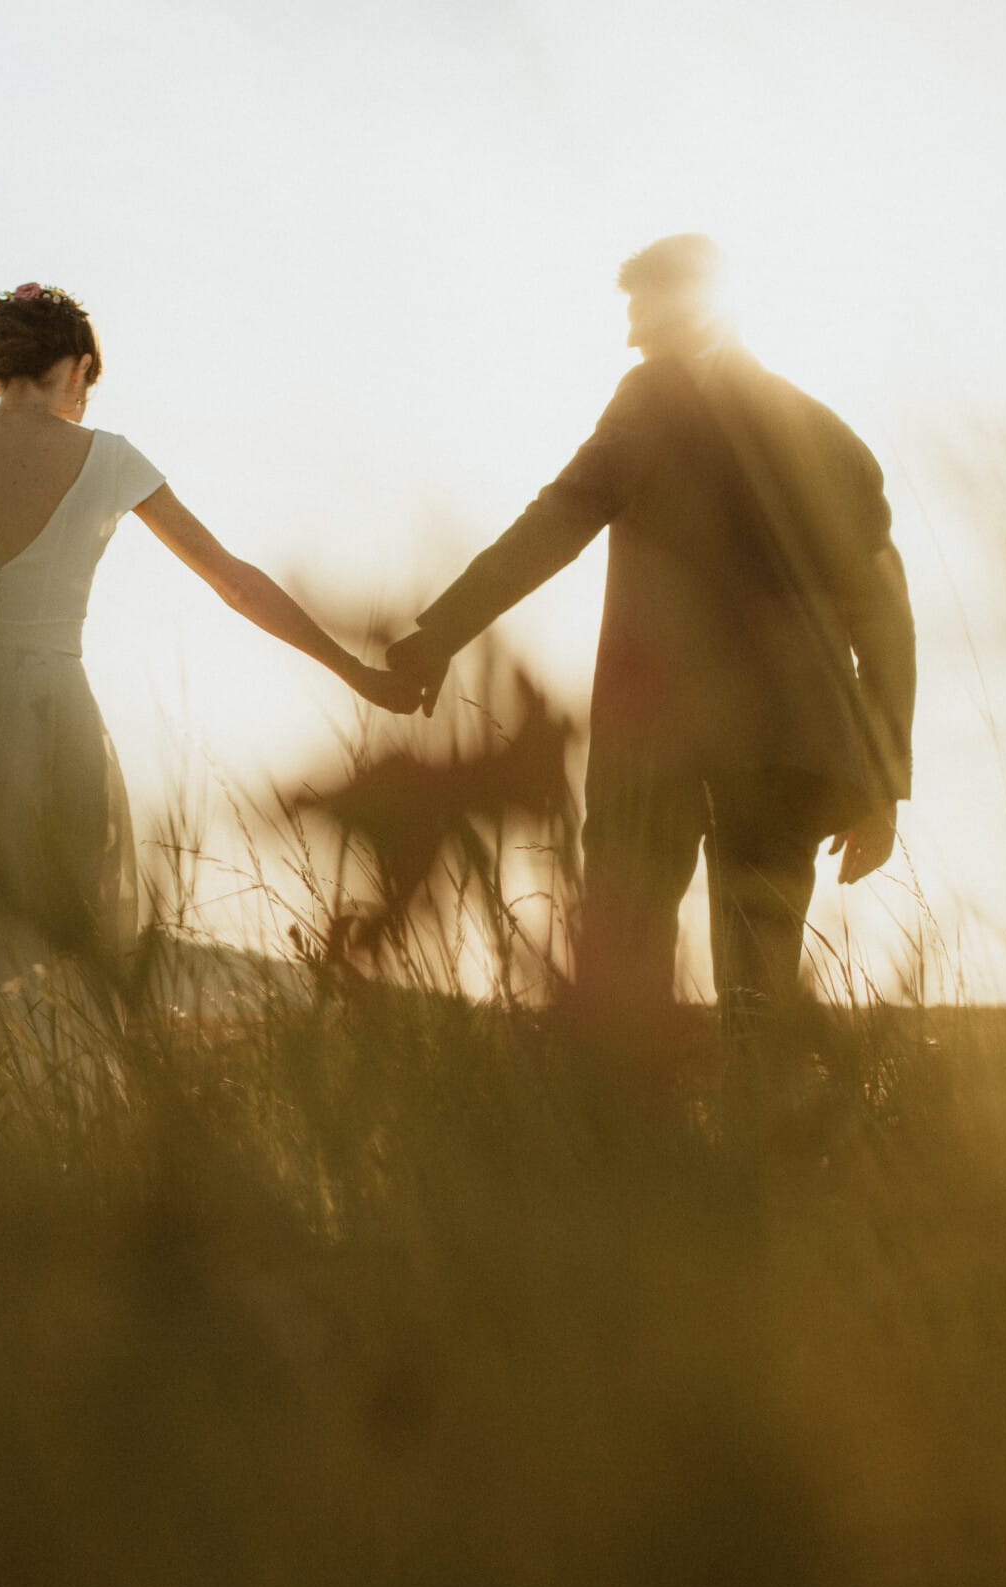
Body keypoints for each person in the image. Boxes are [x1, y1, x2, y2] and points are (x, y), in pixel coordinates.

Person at [0, 282, 417, 1033]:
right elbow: (236, 584)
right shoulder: (112, 460)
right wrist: (354, 670)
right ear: (78, 366)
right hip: (50, 732)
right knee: (40, 954)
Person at [384, 235, 916, 1074]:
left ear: (688, 310)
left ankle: (634, 1170)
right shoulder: (828, 434)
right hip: (786, 752)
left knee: (624, 970)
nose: (634, 343)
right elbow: (885, 615)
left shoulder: (655, 398)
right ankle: (756, 1173)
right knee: (760, 989)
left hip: (660, 743)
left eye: (645, 322)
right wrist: (882, 782)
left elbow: (561, 516)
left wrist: (442, 632)